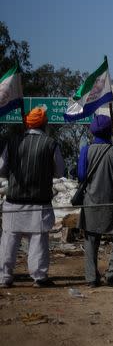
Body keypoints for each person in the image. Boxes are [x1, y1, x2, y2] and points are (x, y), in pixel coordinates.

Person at [0, 107, 65, 288]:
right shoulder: (51, 143)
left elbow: (1, 169)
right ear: (44, 123)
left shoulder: (12, 142)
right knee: (38, 240)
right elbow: (60, 171)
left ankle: (4, 277)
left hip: (14, 201)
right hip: (40, 202)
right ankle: (39, 276)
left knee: (9, 240)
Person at [78, 114, 113, 287]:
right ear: (110, 131)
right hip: (112, 203)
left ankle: (92, 279)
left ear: (93, 132)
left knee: (91, 241)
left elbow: (80, 175)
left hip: (90, 202)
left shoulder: (85, 150)